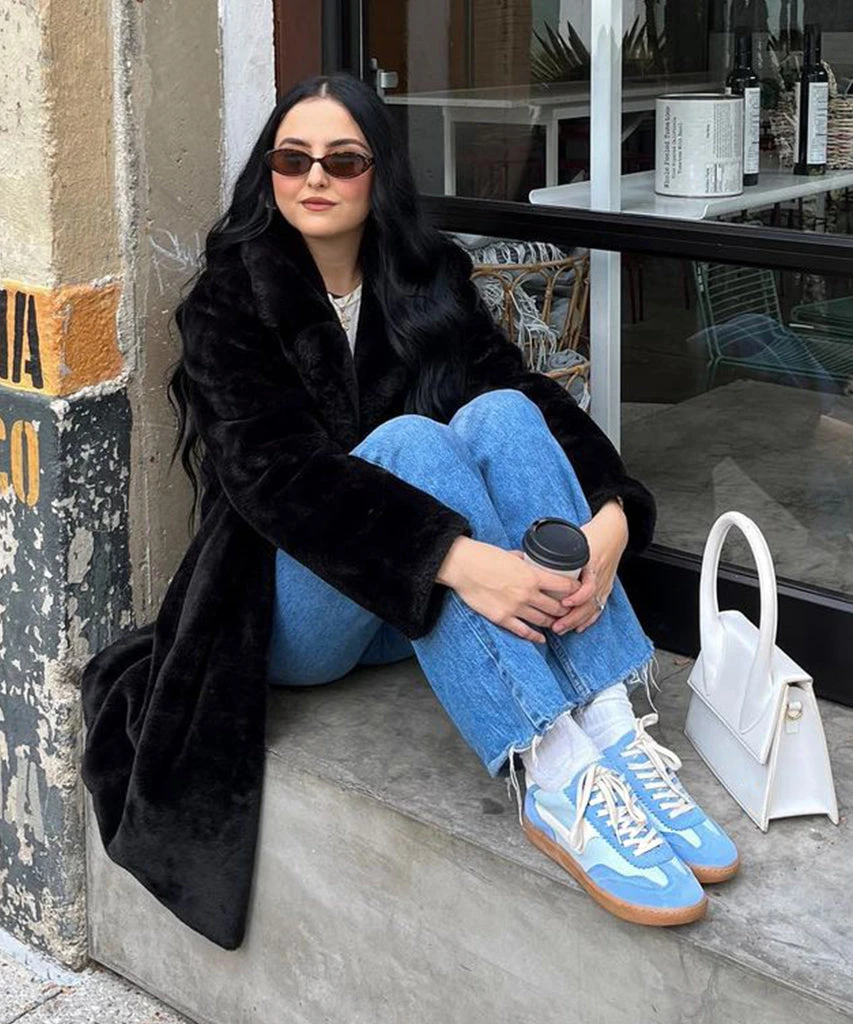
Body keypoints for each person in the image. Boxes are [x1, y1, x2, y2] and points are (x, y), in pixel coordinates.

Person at [82, 72, 737, 950]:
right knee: (410, 444)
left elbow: (526, 393)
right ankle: (552, 772)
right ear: (269, 173)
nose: (315, 178)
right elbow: (276, 478)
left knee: (500, 413)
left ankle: (612, 730)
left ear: (377, 173)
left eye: (342, 160)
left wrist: (613, 516)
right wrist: (462, 559)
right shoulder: (229, 301)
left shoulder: (426, 278)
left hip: (416, 609)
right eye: (292, 159)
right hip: (296, 611)